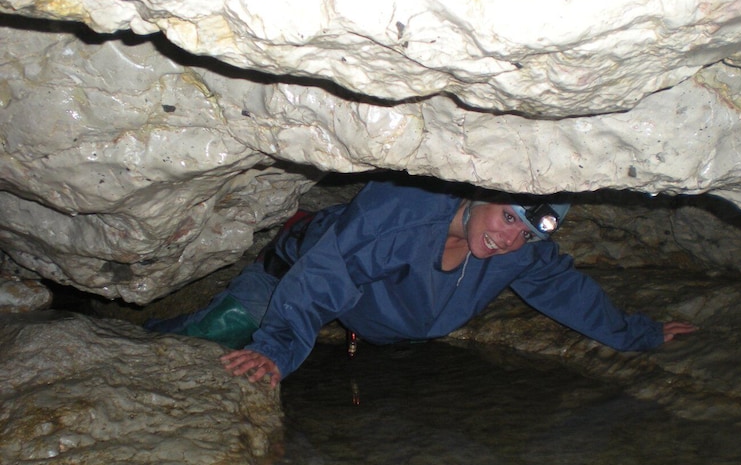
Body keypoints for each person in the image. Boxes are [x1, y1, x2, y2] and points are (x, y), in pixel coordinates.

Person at [145, 175, 697, 387]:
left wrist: (639, 334)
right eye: (508, 217)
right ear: (483, 192)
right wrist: (277, 350)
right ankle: (141, 335)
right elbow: (323, 283)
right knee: (218, 332)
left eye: (527, 234)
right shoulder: (403, 217)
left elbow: (567, 290)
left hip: (372, 310)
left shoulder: (519, 250)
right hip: (293, 272)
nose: (510, 239)